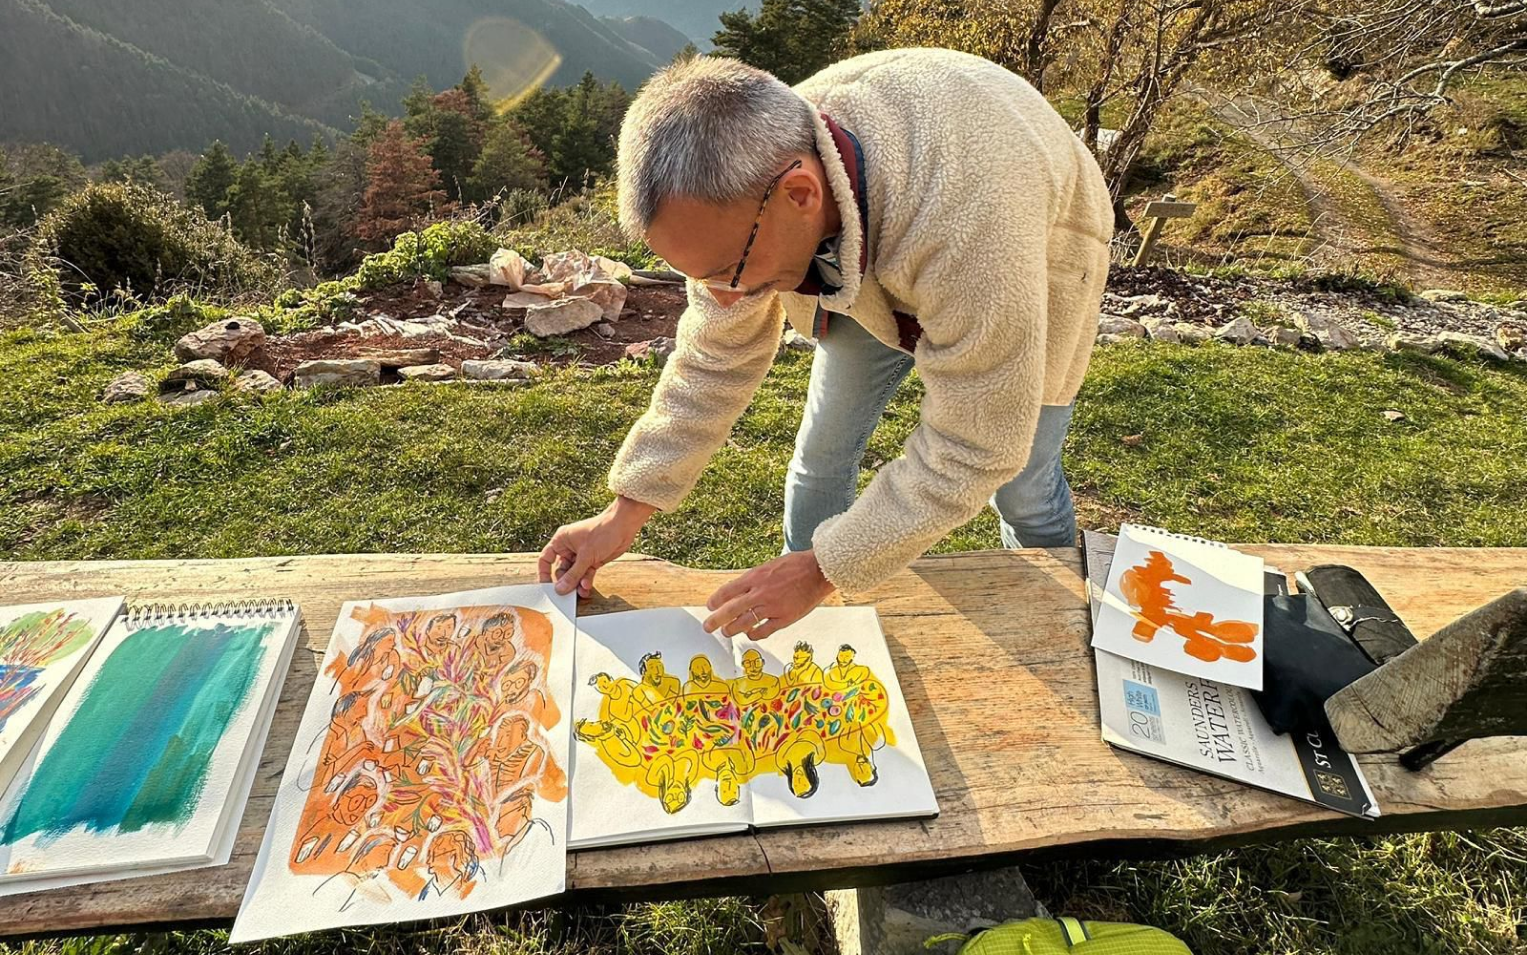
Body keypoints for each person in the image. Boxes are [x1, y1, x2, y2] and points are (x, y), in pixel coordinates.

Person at [538, 49, 1113, 639]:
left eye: (728, 271)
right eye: (700, 276)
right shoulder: (742, 192)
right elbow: (714, 357)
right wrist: (624, 510)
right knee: (824, 451)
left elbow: (977, 443)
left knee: (1023, 483)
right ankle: (805, 605)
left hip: (1031, 241)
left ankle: (1059, 624)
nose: (725, 300)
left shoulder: (972, 228)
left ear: (803, 194)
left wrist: (825, 569)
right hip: (869, 248)